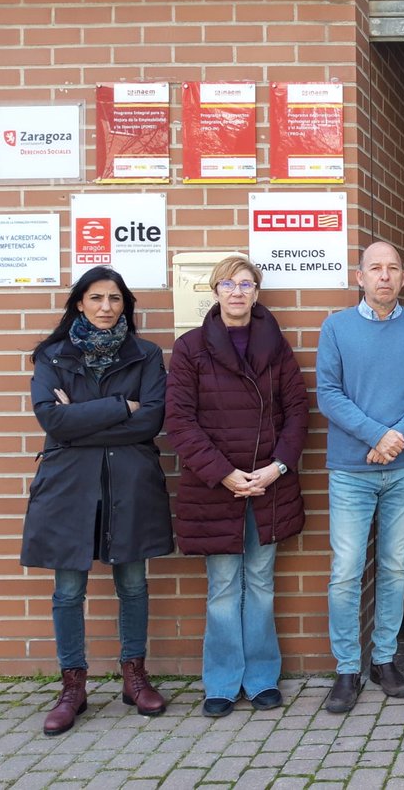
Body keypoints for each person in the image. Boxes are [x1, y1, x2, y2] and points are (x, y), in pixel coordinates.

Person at [22, 266, 173, 736]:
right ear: (80, 304)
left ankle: (134, 676)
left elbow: (150, 421)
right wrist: (115, 408)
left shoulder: (146, 355)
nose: (106, 306)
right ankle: (73, 686)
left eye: (115, 298)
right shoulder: (52, 355)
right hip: (70, 486)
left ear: (125, 304)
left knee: (132, 582)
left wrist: (80, 417)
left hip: (129, 481)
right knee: (69, 589)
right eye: (96, 298)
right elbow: (52, 421)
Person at [165, 256, 309, 717]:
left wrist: (277, 468)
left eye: (246, 284)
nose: (237, 292)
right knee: (224, 586)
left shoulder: (277, 346)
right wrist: (224, 473)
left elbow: (298, 413)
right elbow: (180, 422)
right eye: (228, 284)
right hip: (215, 488)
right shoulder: (190, 348)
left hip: (268, 485)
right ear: (214, 291)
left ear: (256, 292)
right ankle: (222, 682)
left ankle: (263, 678)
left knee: (262, 583)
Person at [316, 242, 404, 713]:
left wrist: (397, 438)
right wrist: (377, 434)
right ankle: (347, 668)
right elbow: (328, 394)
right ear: (360, 277)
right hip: (351, 470)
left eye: (393, 268)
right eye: (375, 268)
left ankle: (383, 659)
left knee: (394, 567)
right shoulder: (336, 327)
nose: (384, 276)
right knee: (346, 572)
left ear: (403, 278)